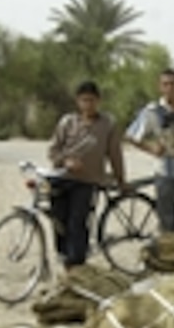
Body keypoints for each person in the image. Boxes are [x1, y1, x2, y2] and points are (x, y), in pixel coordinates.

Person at [47, 80, 125, 269]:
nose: (87, 105)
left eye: (91, 100)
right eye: (83, 100)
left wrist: (121, 179)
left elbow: (115, 154)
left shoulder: (107, 124)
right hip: (62, 178)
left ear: (98, 101)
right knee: (59, 222)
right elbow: (53, 151)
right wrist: (66, 162)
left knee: (77, 222)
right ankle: (65, 257)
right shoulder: (67, 122)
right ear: (77, 102)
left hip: (87, 182)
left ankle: (76, 265)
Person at [126, 69, 174, 233]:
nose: (170, 88)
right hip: (165, 175)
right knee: (168, 225)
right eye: (165, 84)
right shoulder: (152, 111)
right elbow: (132, 136)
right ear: (160, 87)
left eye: (173, 84)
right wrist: (151, 148)